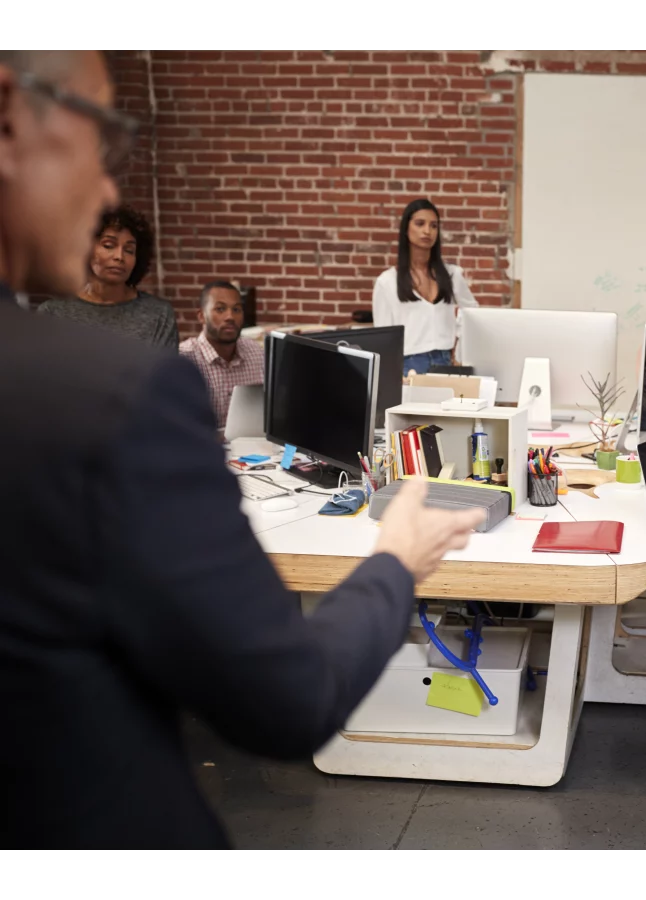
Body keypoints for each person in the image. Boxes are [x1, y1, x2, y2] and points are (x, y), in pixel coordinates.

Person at [0, 49, 485, 855]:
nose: (110, 189)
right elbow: (287, 699)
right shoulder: (116, 396)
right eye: (102, 136)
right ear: (10, 116)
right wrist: (396, 562)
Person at [37, 202, 179, 348]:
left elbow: (165, 364)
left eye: (129, 250)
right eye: (108, 246)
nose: (119, 256)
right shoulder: (53, 313)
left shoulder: (158, 315)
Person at [371, 198, 479, 376]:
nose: (427, 231)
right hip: (408, 367)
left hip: (445, 363)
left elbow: (473, 314)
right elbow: (383, 339)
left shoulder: (452, 274)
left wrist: (459, 347)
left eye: (434, 225)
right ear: (406, 228)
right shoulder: (387, 281)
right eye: (420, 224)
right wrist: (392, 374)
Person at [179, 280, 265, 430]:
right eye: (220, 309)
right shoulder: (184, 359)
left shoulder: (256, 353)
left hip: (251, 442)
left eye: (236, 309)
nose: (230, 316)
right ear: (201, 316)